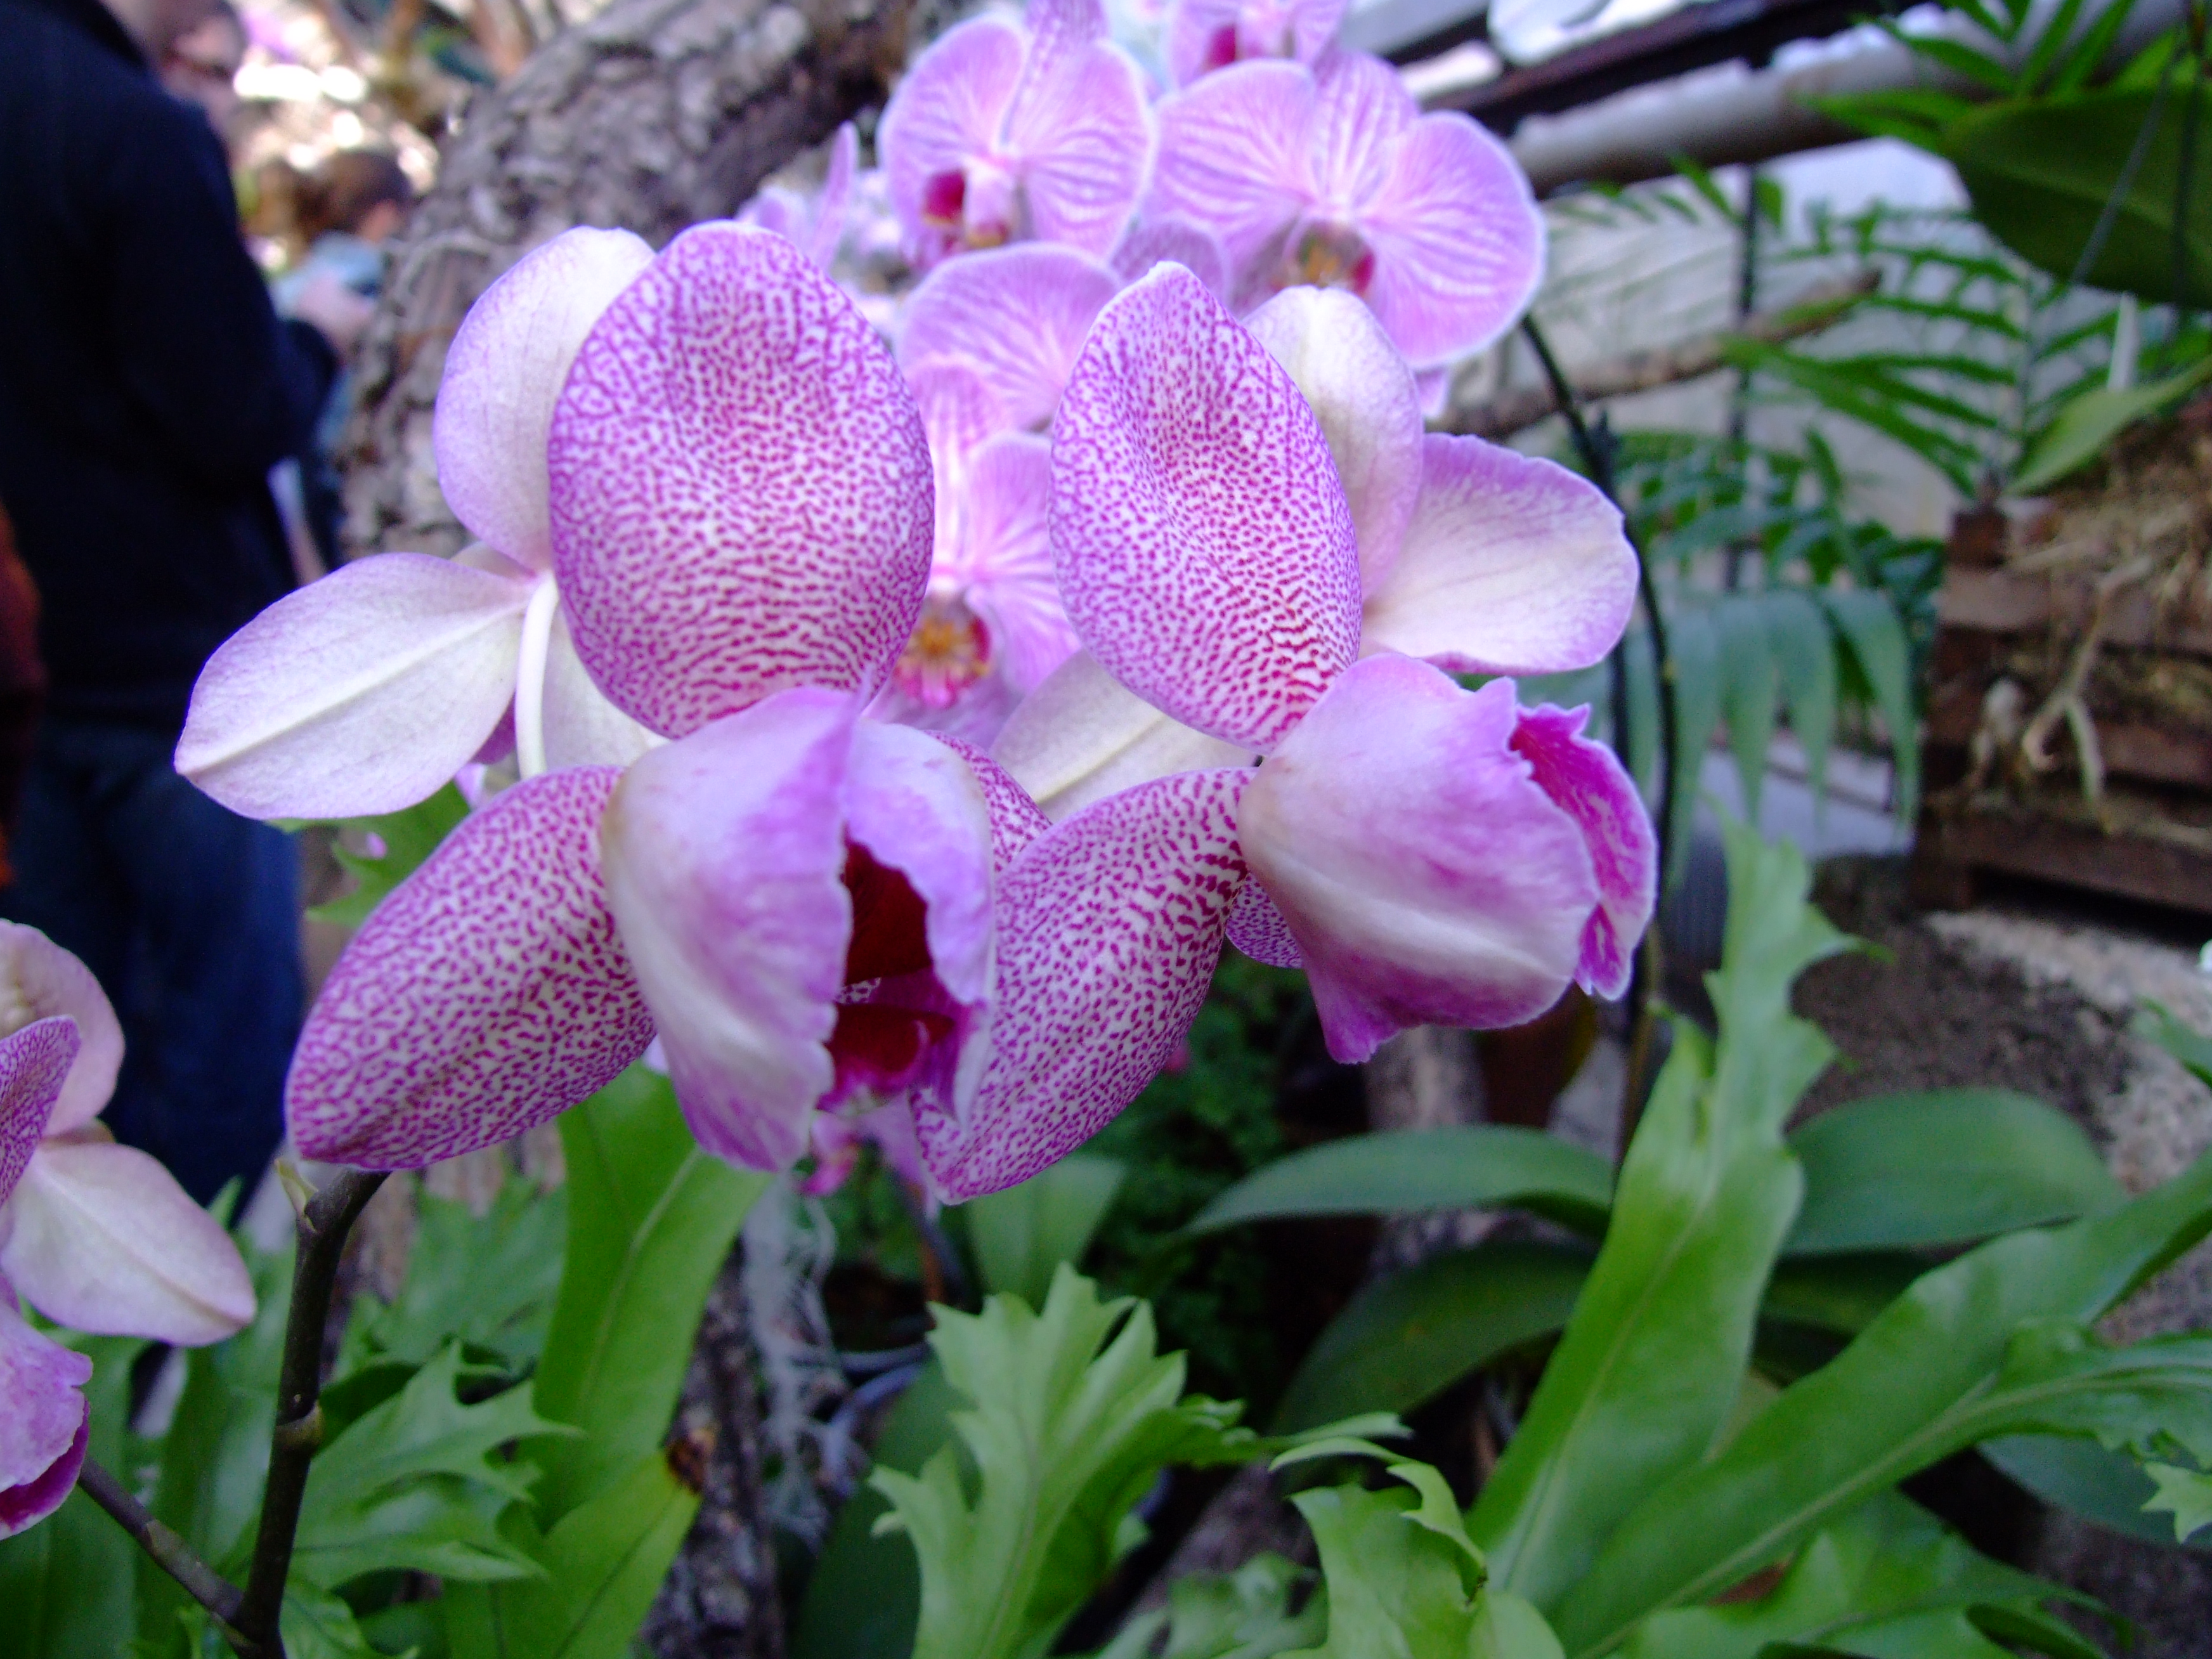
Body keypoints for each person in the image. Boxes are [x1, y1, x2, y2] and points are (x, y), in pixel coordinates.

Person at [0, 0, 372, 1202]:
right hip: (182, 688)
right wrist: (309, 337)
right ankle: (205, 1307)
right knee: (228, 1053)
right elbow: (234, 416)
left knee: (54, 1076)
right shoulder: (130, 130)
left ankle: (90, 1310)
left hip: (37, 681)